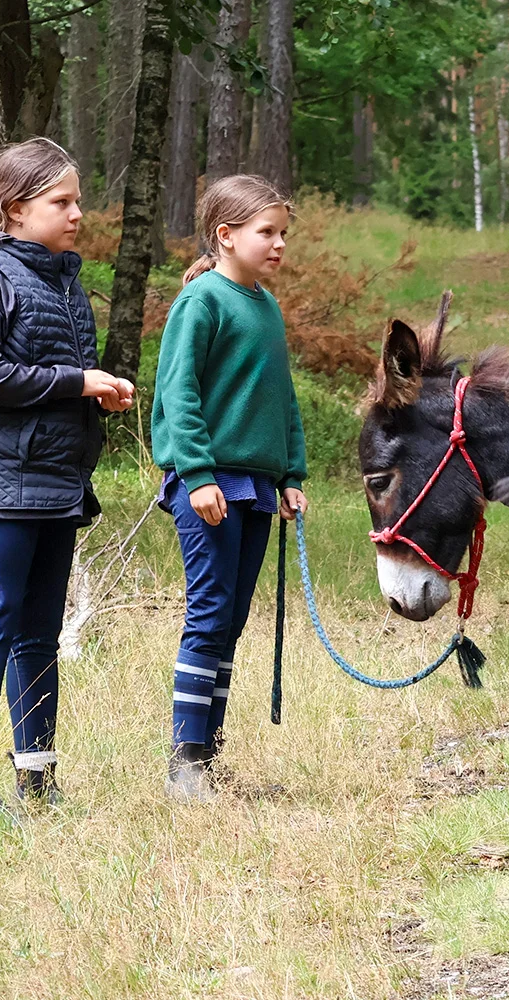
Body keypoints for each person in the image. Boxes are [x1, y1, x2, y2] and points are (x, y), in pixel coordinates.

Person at [0, 138, 137, 817]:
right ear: (15, 208)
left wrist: (92, 393)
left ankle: (38, 780)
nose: (77, 213)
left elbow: (43, 380)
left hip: (55, 483)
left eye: (77, 199)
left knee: (39, 634)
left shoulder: (61, 278)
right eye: (62, 202)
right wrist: (77, 380)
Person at [151, 174, 308, 802]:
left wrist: (291, 474)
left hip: (257, 486)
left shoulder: (265, 304)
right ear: (226, 235)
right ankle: (185, 763)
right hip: (210, 483)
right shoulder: (202, 302)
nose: (277, 245)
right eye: (266, 232)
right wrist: (195, 474)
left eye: (282, 235)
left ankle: (208, 756)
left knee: (234, 619)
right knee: (210, 613)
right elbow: (177, 392)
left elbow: (282, 400)